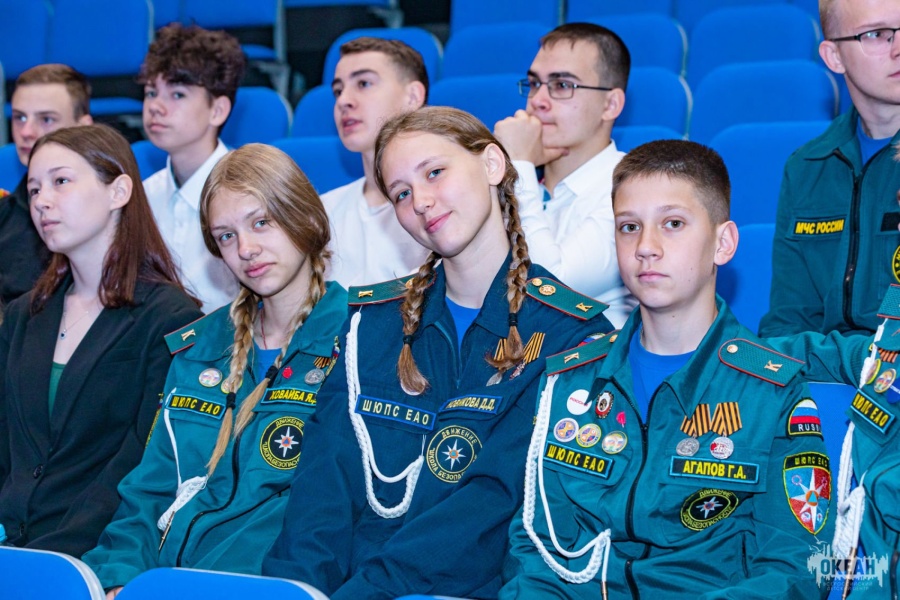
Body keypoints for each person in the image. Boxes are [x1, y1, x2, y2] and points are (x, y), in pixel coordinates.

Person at [263, 106, 613, 599]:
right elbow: (321, 492)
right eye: (401, 193)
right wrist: (297, 591)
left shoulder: (571, 337)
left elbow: (489, 510)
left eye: (434, 173)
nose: (421, 202)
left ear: (492, 165)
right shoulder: (370, 325)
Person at [501, 140, 831, 598]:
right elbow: (533, 547)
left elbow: (795, 568)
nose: (646, 248)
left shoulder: (773, 392)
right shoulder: (569, 380)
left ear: (723, 243)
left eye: (672, 224)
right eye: (629, 227)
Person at [81, 144, 348, 596]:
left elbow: (318, 514)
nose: (246, 249)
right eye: (226, 236)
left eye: (261, 222)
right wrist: (116, 578)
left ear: (304, 217)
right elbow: (149, 492)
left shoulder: (356, 340)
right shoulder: (199, 348)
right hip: (163, 583)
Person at [0, 124, 203, 558]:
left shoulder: (170, 319)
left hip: (95, 552)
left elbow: (141, 466)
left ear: (118, 192)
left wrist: (54, 554)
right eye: (34, 189)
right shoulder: (22, 316)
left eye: (60, 181)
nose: (42, 201)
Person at [759, 0, 900, 336]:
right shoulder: (807, 166)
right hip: (833, 363)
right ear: (834, 56)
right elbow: (789, 322)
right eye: (877, 34)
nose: (898, 48)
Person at [494, 23, 636, 328]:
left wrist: (519, 164)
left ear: (611, 104)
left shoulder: (632, 186)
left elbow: (549, 289)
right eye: (534, 83)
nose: (537, 100)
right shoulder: (518, 182)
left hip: (593, 356)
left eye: (562, 85)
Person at [141, 23, 246, 312]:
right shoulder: (142, 196)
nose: (156, 107)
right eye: (151, 93)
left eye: (177, 95)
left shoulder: (250, 190)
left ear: (218, 110)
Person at [323, 37, 430, 288]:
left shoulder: (443, 201)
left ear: (412, 96)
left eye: (364, 83)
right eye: (338, 91)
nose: (343, 100)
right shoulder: (322, 212)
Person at [1, 64, 93, 306]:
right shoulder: (5, 213)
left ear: (83, 126)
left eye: (46, 119)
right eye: (20, 117)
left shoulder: (105, 212)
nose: (26, 131)